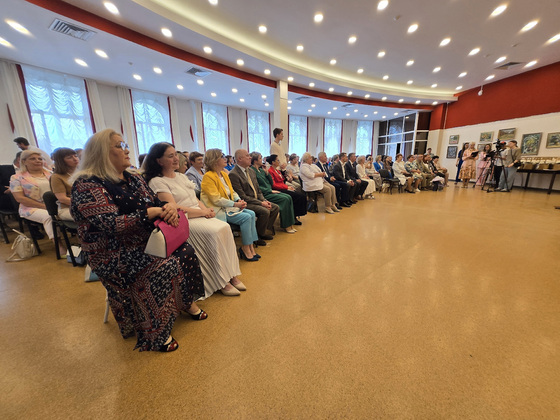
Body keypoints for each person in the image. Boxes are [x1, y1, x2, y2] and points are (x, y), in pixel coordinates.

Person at [70, 129, 206, 352]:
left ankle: (184, 302)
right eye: (120, 146)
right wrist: (150, 213)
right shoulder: (87, 184)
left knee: (186, 251)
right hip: (111, 252)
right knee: (163, 264)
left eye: (126, 145)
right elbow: (110, 224)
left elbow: (155, 202)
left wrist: (168, 207)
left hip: (146, 240)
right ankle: (155, 331)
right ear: (102, 152)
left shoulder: (133, 178)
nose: (127, 150)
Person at [144, 142, 246, 297]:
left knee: (224, 227)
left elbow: (194, 198)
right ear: (159, 161)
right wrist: (202, 212)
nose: (176, 159)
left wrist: (205, 209)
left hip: (197, 213)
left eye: (175, 155)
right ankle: (221, 280)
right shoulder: (157, 181)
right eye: (170, 156)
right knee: (214, 232)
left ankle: (231, 274)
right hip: (183, 220)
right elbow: (174, 207)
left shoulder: (180, 176)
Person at [200, 149, 260, 261]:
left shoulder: (223, 174)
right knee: (246, 217)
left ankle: (250, 246)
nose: (225, 158)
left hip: (228, 206)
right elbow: (216, 200)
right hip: (218, 209)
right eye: (221, 156)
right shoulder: (208, 176)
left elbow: (232, 191)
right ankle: (245, 248)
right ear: (214, 160)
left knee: (251, 213)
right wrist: (235, 204)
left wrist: (239, 200)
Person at [9, 149, 65, 252]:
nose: (38, 161)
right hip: (30, 208)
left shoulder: (51, 174)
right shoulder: (16, 178)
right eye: (33, 159)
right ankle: (59, 246)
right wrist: (45, 207)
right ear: (24, 161)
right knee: (49, 216)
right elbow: (19, 198)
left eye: (40, 158)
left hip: (55, 205)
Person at [228, 149, 279, 244]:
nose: (250, 157)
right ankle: (257, 237)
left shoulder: (251, 171)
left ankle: (262, 231)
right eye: (247, 156)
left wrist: (264, 200)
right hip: (245, 202)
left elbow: (258, 190)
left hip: (256, 199)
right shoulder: (233, 174)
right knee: (264, 211)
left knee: (275, 207)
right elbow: (242, 196)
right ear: (239, 159)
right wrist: (261, 203)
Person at [250, 152, 297, 233]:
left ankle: (290, 224)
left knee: (288, 197)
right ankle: (286, 225)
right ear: (255, 161)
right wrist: (270, 190)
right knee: (285, 199)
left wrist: (267, 173)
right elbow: (256, 187)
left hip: (269, 191)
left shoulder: (261, 170)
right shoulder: (252, 171)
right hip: (264, 194)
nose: (262, 160)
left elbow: (271, 183)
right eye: (260, 158)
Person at [266, 154, 307, 221]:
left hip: (282, 187)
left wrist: (288, 182)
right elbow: (274, 185)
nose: (279, 162)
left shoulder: (277, 171)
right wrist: (286, 187)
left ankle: (295, 214)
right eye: (278, 160)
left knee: (301, 195)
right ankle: (294, 216)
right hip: (278, 189)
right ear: (273, 162)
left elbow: (282, 180)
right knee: (298, 197)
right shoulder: (270, 171)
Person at [50, 147, 80, 221]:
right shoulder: (56, 177)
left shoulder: (82, 172)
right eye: (69, 157)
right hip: (67, 208)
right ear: (61, 161)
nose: (75, 159)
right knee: (93, 217)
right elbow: (62, 199)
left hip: (85, 205)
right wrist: (84, 205)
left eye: (75, 156)